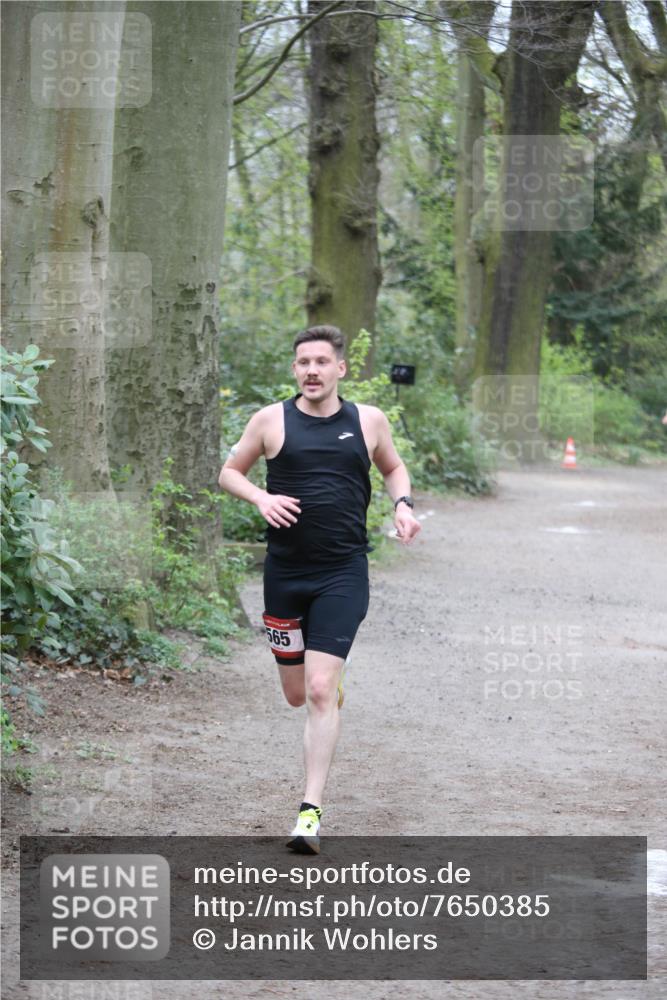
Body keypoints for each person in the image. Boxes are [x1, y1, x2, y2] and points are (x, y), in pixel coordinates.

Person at [218, 325, 421, 853]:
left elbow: (395, 467)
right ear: (295, 370)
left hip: (342, 573)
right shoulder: (270, 420)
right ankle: (324, 688)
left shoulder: (368, 421)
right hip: (285, 575)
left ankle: (309, 812)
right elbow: (228, 473)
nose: (312, 370)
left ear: (340, 369)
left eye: (322, 362)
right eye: (303, 362)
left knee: (317, 691)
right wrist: (260, 498)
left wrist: (403, 506)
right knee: (294, 695)